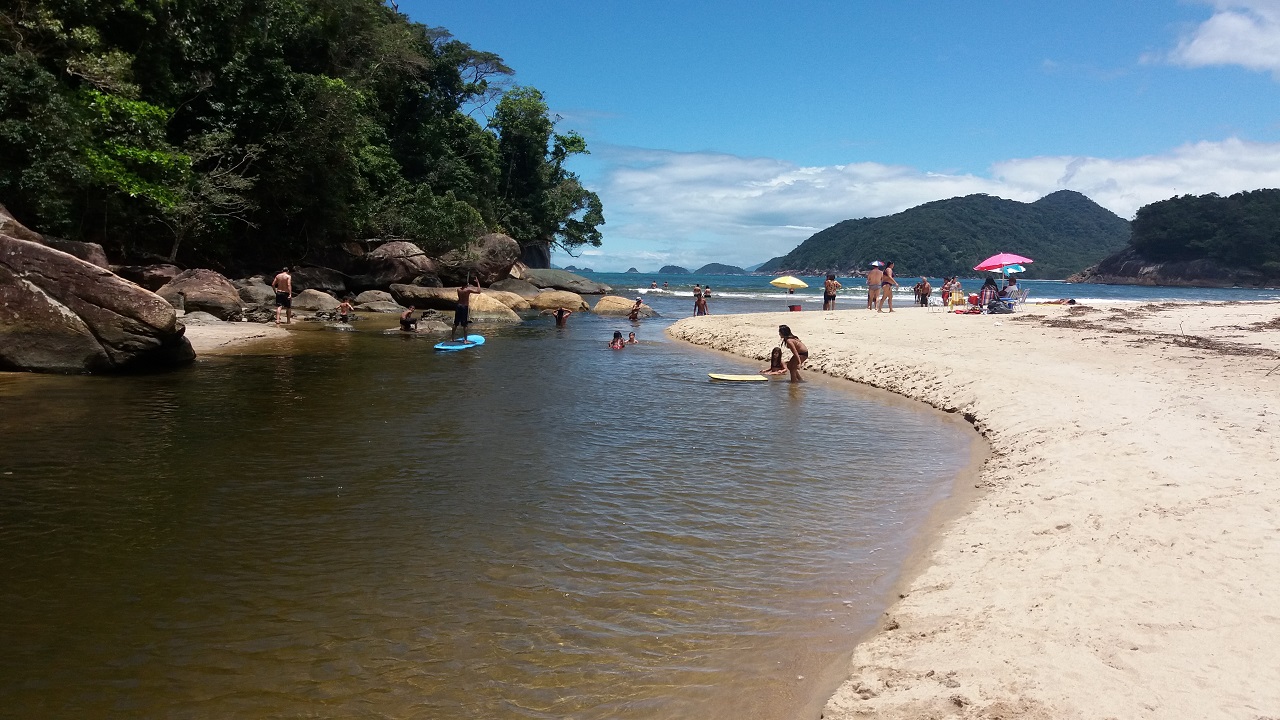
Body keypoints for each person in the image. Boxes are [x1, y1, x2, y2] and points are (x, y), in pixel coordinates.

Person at [452, 276, 481, 342]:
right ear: (467, 284)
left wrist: (466, 285)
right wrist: (478, 283)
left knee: (456, 323)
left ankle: (452, 338)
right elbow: (479, 291)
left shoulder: (458, 290)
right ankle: (465, 340)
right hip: (464, 307)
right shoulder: (467, 290)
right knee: (465, 324)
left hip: (458, 306)